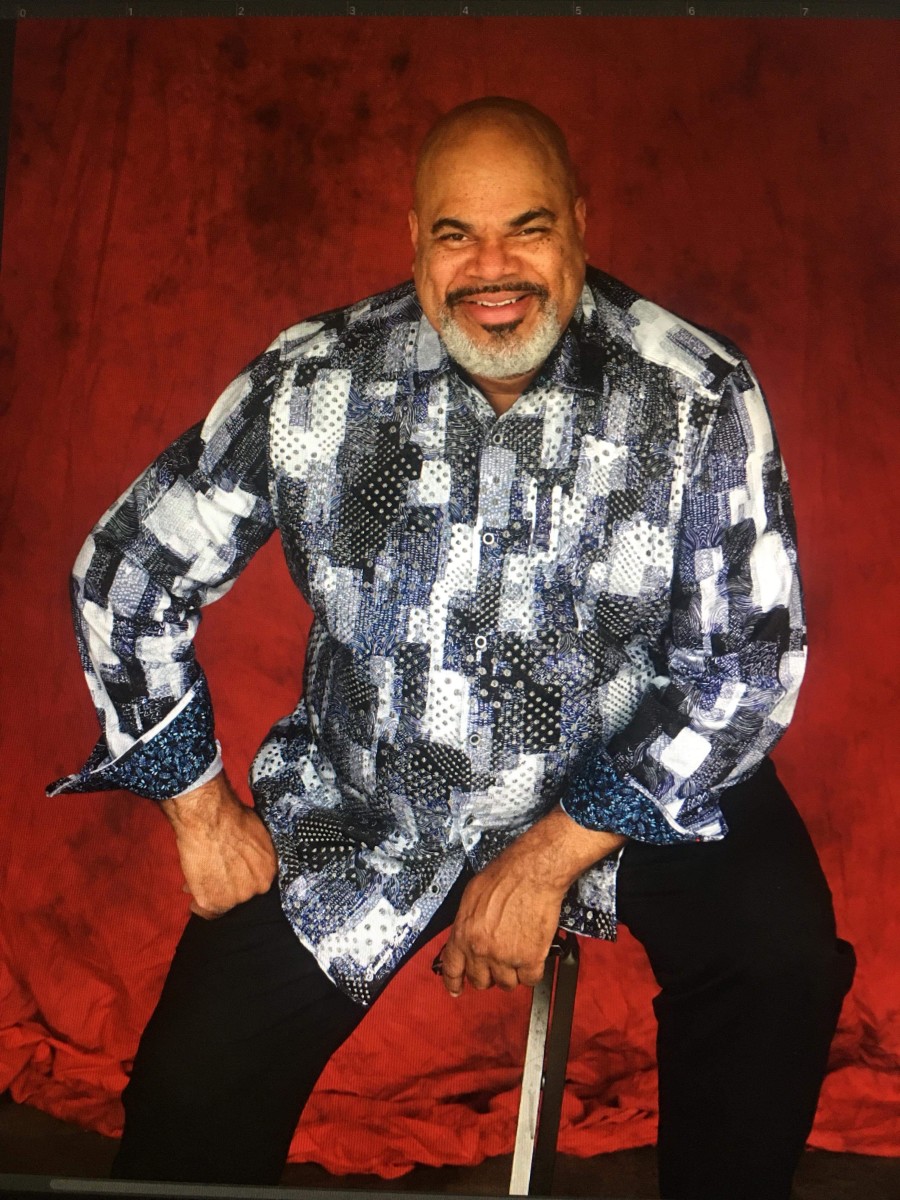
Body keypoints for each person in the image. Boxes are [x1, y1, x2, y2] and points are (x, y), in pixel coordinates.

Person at [49, 97, 855, 1198]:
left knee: (779, 962)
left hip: (629, 791)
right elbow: (127, 572)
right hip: (369, 797)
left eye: (527, 228)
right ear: (414, 242)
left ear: (579, 228)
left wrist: (548, 855)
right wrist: (197, 811)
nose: (493, 269)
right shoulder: (313, 381)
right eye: (455, 235)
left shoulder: (694, 391)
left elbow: (745, 665)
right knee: (185, 1109)